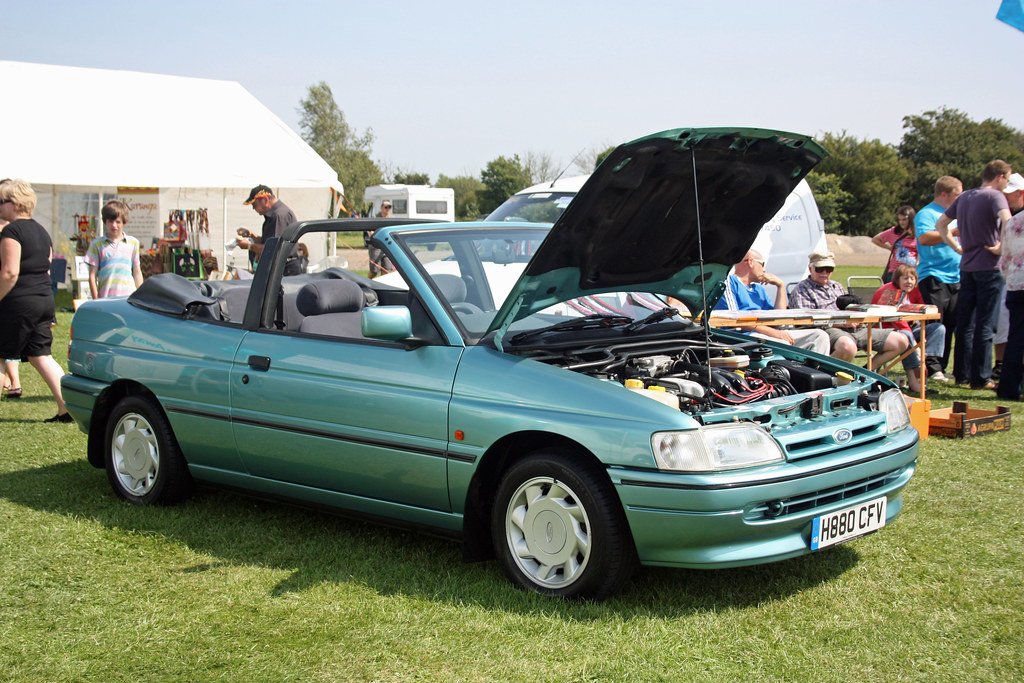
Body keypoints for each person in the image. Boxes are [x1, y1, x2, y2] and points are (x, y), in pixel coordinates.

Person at [936, 160, 1013, 389]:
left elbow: (942, 225)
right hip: (989, 266)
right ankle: (981, 377)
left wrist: (957, 247)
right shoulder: (995, 197)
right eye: (1007, 179)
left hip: (966, 267)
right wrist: (1001, 247)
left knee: (965, 323)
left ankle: (962, 374)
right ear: (999, 177)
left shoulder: (965, 196)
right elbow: (1008, 222)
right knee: (985, 324)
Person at [0, 179, 71, 422]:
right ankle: (66, 408)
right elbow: (47, 266)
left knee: (0, 355)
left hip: (19, 302)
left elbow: (9, 273)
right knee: (41, 355)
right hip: (44, 299)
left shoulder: (11, 231)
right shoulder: (42, 231)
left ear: (16, 204)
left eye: (2, 201)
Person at [789, 250, 908, 366]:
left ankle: (865, 374)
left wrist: (857, 318)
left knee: (900, 341)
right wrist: (841, 323)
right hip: (826, 330)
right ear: (810, 269)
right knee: (848, 347)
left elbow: (851, 307)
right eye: (820, 269)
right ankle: (827, 377)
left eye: (829, 269)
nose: (824, 272)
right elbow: (806, 320)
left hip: (855, 328)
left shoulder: (837, 286)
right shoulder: (801, 290)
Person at [714, 249, 830, 355]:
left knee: (820, 336)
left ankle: (817, 375)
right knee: (783, 344)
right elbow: (736, 320)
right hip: (742, 336)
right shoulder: (729, 283)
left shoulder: (758, 289)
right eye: (762, 264)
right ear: (750, 262)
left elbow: (779, 321)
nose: (764, 269)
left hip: (766, 334)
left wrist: (780, 286)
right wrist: (775, 334)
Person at [914, 176, 963, 382]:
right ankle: (932, 368)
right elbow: (925, 238)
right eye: (957, 194)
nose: (960, 198)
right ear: (945, 193)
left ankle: (942, 366)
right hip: (934, 276)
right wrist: (950, 230)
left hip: (957, 276)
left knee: (952, 323)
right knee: (936, 325)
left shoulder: (956, 215)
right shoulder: (926, 213)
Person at [871, 264, 945, 395]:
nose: (909, 282)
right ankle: (914, 378)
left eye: (912, 278)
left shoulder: (913, 291)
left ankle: (925, 361)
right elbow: (895, 320)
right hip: (884, 330)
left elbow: (922, 310)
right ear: (897, 279)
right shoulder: (890, 291)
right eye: (905, 278)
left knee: (937, 329)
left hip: (907, 328)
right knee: (906, 335)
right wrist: (917, 347)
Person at [992, 172, 1024, 381]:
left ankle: (1009, 385)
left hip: (1014, 284)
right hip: (1016, 283)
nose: (1008, 198)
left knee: (1015, 337)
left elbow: (1005, 258)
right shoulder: (1011, 221)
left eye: (1011, 194)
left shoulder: (1011, 222)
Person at [236, 184, 302, 275]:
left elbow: (273, 248)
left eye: (254, 205)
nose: (253, 208)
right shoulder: (277, 213)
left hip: (285, 269)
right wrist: (250, 235)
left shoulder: (278, 215)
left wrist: (249, 246)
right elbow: (269, 241)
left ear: (266, 200)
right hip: (282, 266)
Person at [85, 199, 143, 299]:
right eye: (110, 221)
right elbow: (92, 275)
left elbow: (137, 271)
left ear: (124, 222)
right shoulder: (97, 244)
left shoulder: (133, 243)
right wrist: (96, 300)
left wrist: (140, 296)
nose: (114, 225)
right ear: (105, 222)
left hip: (128, 298)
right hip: (106, 298)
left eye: (118, 222)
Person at [872, 206, 919, 283]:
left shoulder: (918, 233)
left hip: (910, 272)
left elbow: (921, 252)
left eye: (904, 219)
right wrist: (889, 247)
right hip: (894, 271)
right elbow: (875, 239)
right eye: (899, 219)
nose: (901, 222)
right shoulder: (894, 231)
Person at [366, 201, 395, 277]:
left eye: (389, 207)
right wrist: (374, 235)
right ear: (381, 208)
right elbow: (370, 230)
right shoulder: (375, 217)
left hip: (387, 246)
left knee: (386, 270)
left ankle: (382, 287)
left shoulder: (392, 218)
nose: (388, 209)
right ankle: (367, 283)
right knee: (374, 271)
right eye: (386, 207)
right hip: (376, 246)